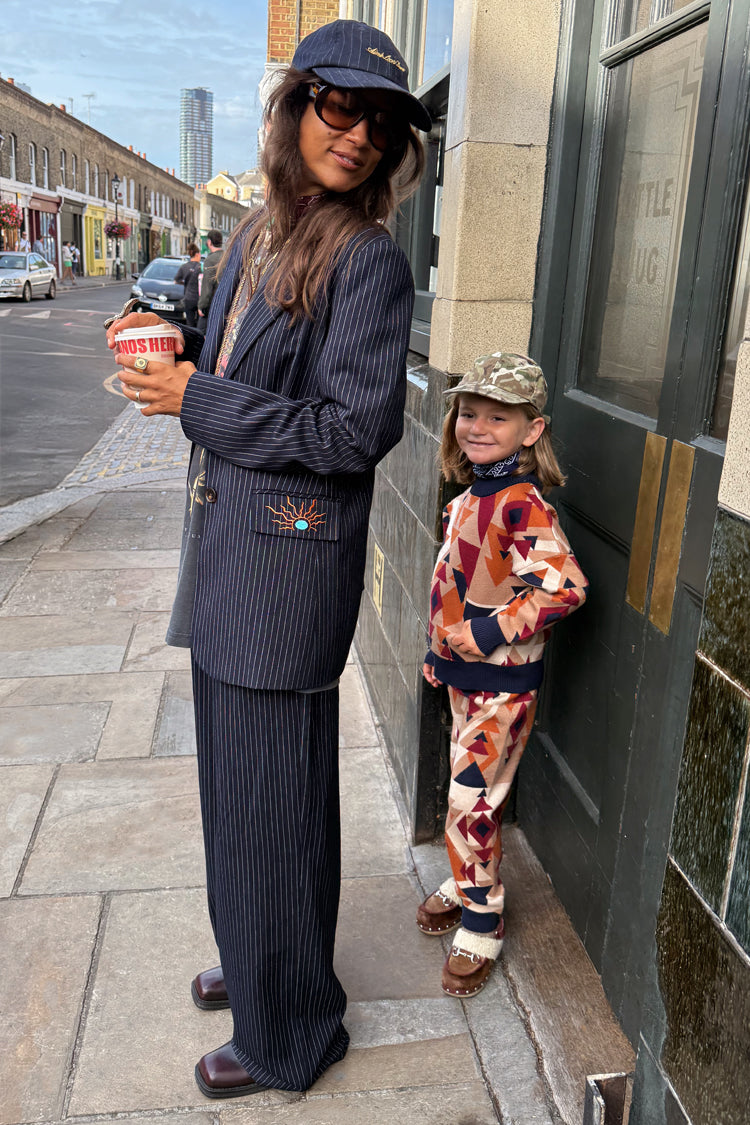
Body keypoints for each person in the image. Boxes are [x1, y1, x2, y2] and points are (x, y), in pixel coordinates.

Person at [106, 18, 429, 1099]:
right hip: (228, 550)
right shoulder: (255, 235)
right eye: (339, 105)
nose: (359, 134)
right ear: (293, 110)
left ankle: (293, 1029)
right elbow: (232, 359)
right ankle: (259, 964)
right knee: (237, 797)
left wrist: (194, 397)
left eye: (381, 121)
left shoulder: (371, 262)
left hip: (286, 577)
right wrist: (164, 345)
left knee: (276, 810)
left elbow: (350, 432)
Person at [418, 353, 588, 998]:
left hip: (504, 685)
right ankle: (468, 880)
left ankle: (482, 916)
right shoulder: (468, 500)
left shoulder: (522, 506)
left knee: (471, 799)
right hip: (467, 679)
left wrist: (487, 635)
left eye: (499, 416)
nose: (478, 426)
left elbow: (565, 589)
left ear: (532, 429)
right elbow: (452, 588)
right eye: (468, 412)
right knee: (471, 796)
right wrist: (442, 657)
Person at [196, 228, 223, 333]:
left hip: (213, 303)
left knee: (200, 332)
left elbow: (207, 284)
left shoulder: (210, 260)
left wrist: (202, 306)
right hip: (226, 302)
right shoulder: (228, 256)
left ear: (209, 242)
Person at [175, 243, 201, 327]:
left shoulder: (184, 267)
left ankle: (190, 338)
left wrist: (185, 282)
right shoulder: (201, 267)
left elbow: (176, 281)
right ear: (197, 254)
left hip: (188, 298)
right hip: (199, 299)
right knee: (199, 322)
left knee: (189, 322)